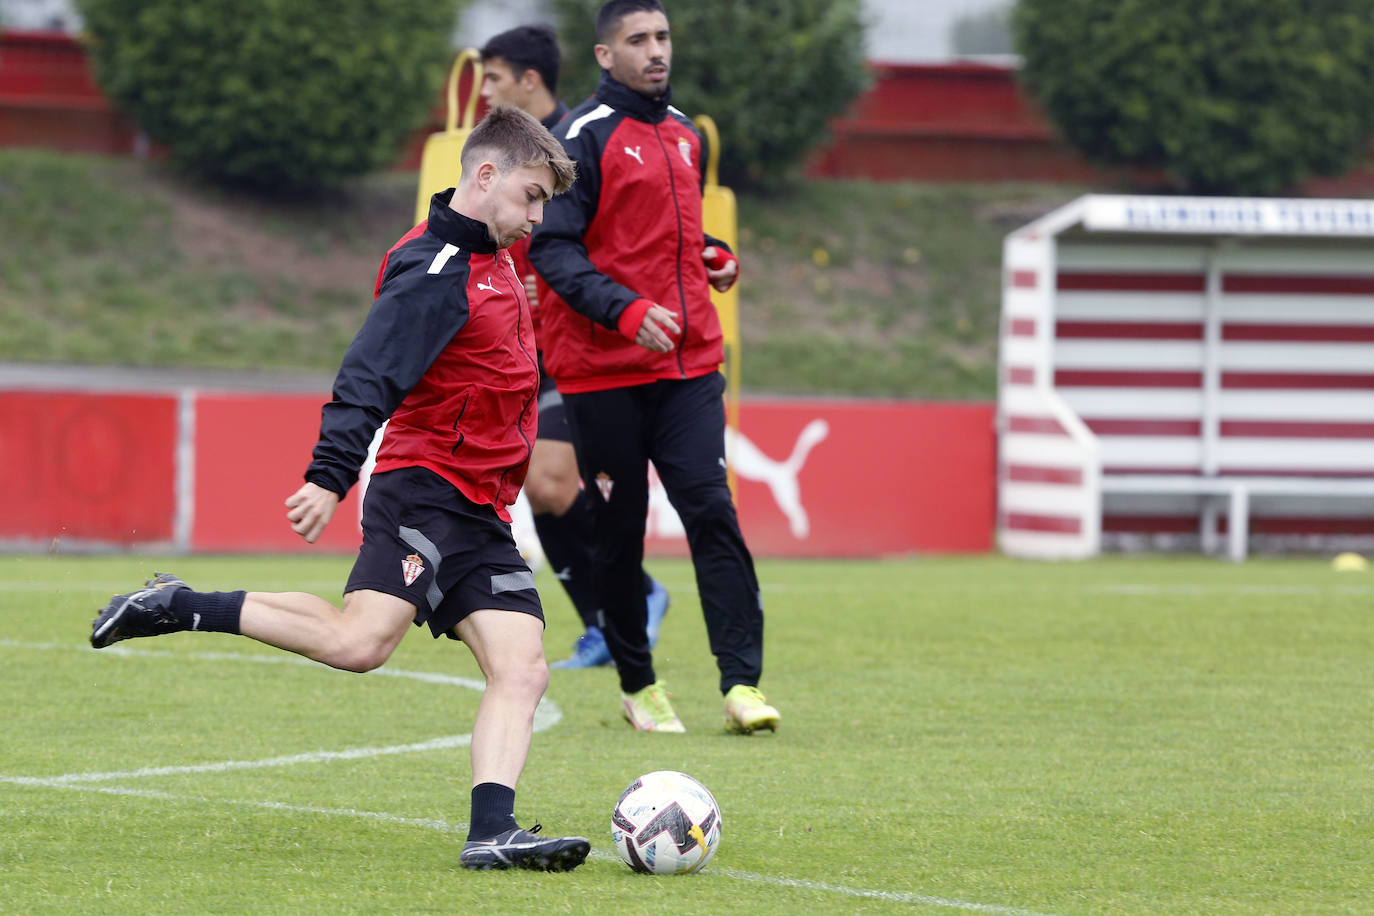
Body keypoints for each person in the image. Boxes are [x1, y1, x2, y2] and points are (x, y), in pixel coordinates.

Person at [89, 107, 590, 872]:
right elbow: (368, 375)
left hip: (483, 508)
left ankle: (492, 831)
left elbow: (518, 374)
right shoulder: (433, 271)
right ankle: (181, 605)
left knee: (522, 668)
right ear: (484, 177)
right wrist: (329, 474)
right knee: (362, 644)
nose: (536, 215)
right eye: (530, 195)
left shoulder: (497, 265)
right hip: (424, 491)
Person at [528, 0, 779, 735]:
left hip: (690, 363)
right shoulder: (578, 138)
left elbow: (661, 235)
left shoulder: (683, 135)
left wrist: (710, 257)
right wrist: (626, 311)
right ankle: (639, 684)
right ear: (606, 56)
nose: (655, 50)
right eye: (638, 40)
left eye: (662, 37)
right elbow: (555, 250)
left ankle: (742, 686)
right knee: (621, 524)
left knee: (711, 509)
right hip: (603, 368)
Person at [479, 23, 669, 670]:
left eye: (494, 78)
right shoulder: (504, 151)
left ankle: (637, 593)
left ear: (529, 81)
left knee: (553, 480)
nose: (483, 92)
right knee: (539, 490)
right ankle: (605, 624)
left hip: (571, 342)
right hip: (517, 346)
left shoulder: (578, 140)